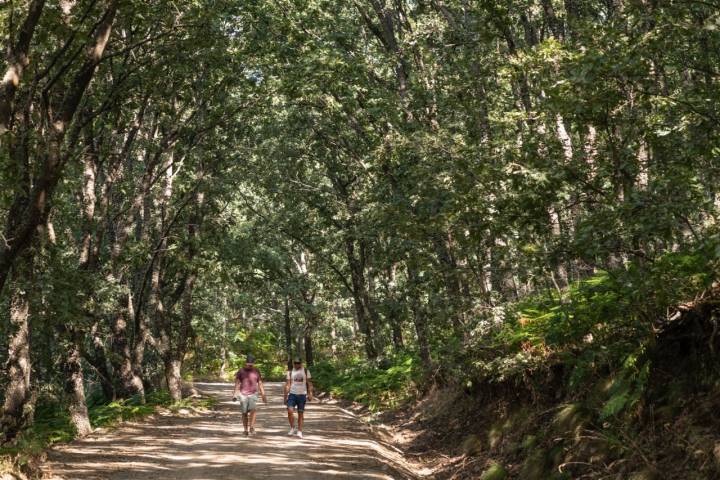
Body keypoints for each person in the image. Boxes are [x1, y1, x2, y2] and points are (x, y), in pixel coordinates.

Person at [232, 354, 267, 436]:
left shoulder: (256, 371)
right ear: (246, 363)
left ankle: (252, 427)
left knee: (253, 410)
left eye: (251, 365)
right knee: (244, 413)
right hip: (243, 394)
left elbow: (260, 383)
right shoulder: (241, 371)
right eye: (248, 365)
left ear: (253, 364)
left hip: (253, 393)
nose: (250, 366)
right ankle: (245, 430)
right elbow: (237, 383)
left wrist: (263, 395)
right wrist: (235, 394)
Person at [284, 356, 313, 439]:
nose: (297, 365)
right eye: (295, 363)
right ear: (293, 364)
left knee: (300, 413)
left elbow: (309, 383)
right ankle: (292, 427)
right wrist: (285, 396)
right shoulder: (290, 372)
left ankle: (300, 431)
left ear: (301, 363)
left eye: (298, 363)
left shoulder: (306, 371)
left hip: (302, 395)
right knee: (290, 411)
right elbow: (287, 384)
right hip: (292, 394)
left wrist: (310, 393)